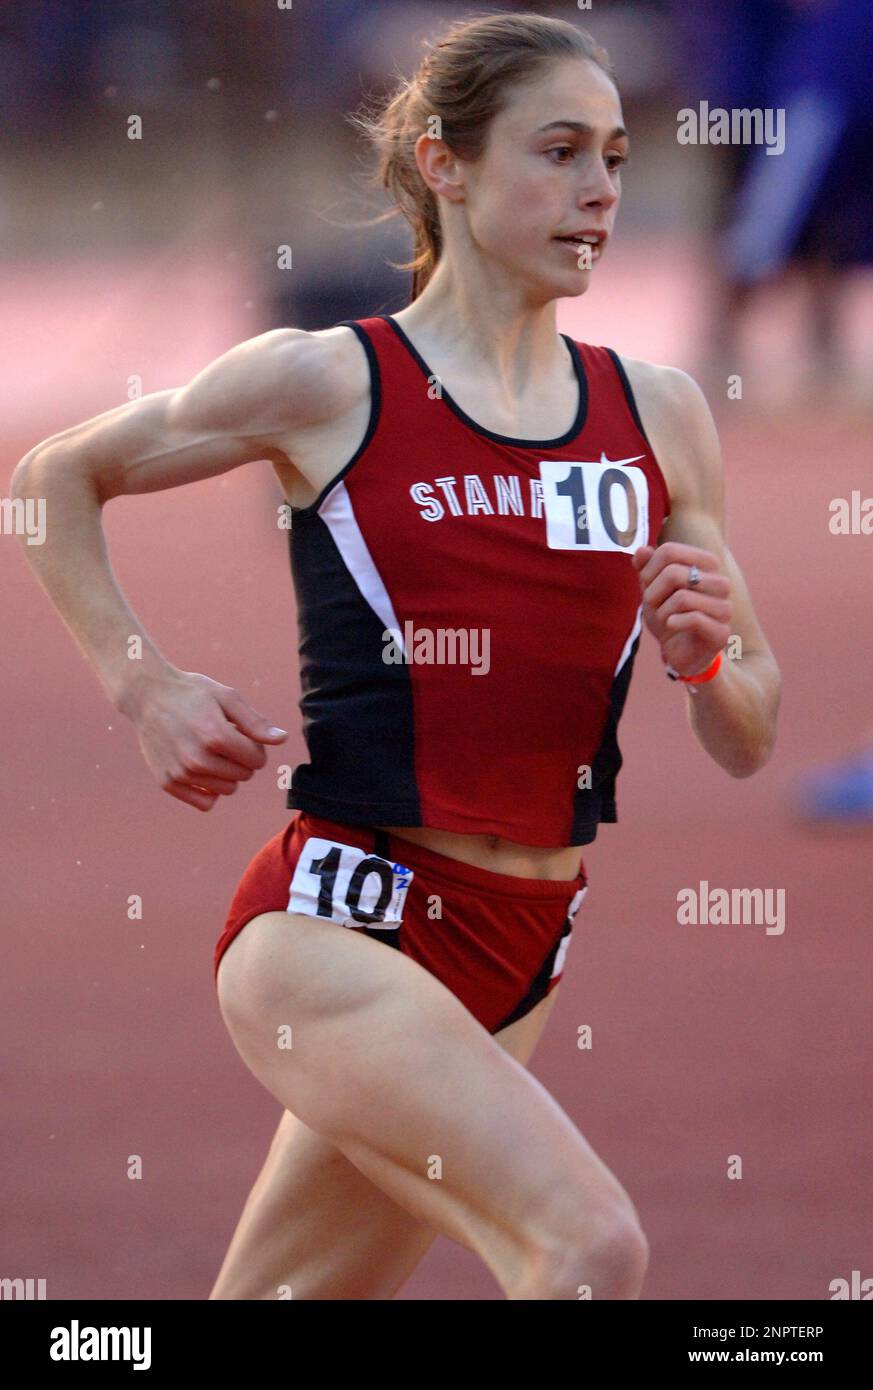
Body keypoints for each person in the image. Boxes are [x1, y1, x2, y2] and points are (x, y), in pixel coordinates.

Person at [11, 12, 781, 1300]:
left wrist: (705, 661)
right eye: (557, 151)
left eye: (617, 156)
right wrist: (143, 684)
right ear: (447, 165)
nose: (598, 189)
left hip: (525, 943)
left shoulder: (660, 414)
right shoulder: (331, 383)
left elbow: (749, 732)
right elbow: (51, 478)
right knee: (587, 1250)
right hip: (339, 928)